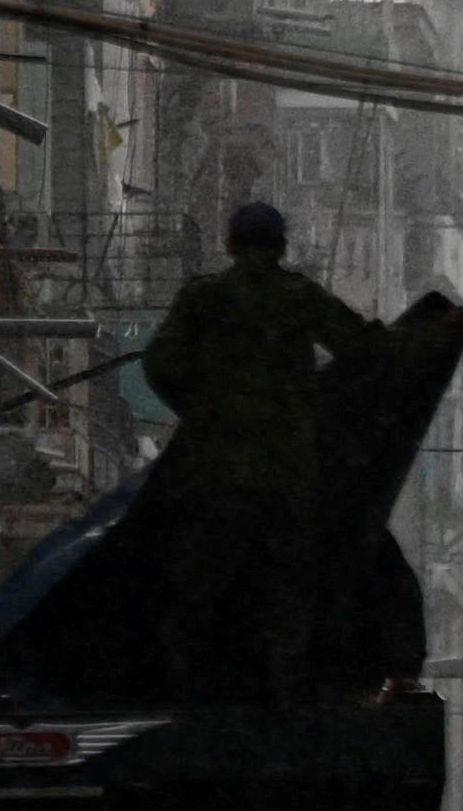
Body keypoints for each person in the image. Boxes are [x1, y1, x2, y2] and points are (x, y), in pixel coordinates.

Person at [140, 199, 375, 703]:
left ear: (229, 243)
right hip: (287, 470)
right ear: (281, 245)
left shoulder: (205, 297)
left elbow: (160, 363)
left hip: (215, 468)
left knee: (202, 579)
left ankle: (189, 688)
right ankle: (281, 693)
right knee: (286, 584)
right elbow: (360, 347)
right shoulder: (299, 296)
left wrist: (199, 410)